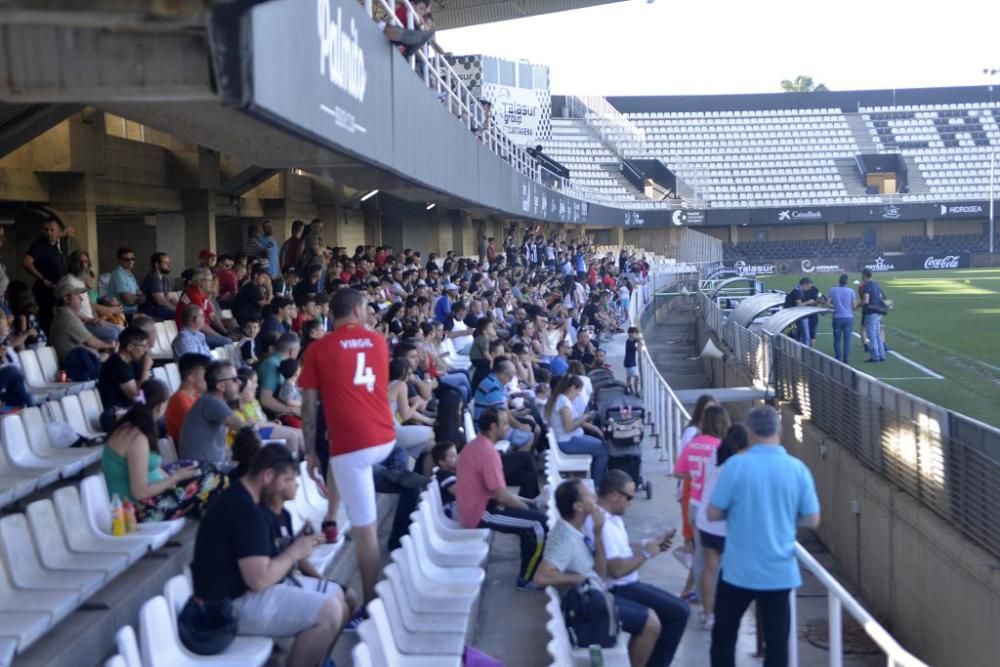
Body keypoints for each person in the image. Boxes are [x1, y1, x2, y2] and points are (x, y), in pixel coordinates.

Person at [190, 444, 348, 667]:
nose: (292, 485)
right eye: (287, 479)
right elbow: (259, 580)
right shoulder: (244, 509)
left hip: (234, 597)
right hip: (226, 609)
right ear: (267, 476)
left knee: (338, 599)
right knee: (329, 612)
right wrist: (295, 551)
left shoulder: (241, 499)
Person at [300, 287, 396, 624]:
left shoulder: (319, 347)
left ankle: (371, 607)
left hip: (354, 448)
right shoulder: (378, 341)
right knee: (346, 467)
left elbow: (310, 404)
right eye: (367, 308)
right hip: (384, 437)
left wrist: (311, 450)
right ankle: (331, 517)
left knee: (365, 534)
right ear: (357, 310)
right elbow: (365, 388)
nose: (369, 313)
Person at [707, 406, 820, 667]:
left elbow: (713, 513)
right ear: (779, 430)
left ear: (749, 432)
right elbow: (813, 520)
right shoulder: (797, 468)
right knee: (778, 641)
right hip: (779, 571)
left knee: (724, 634)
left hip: (738, 570)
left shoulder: (735, 466)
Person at [534, 479, 661, 667]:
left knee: (652, 617)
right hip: (582, 606)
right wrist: (581, 578)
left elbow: (600, 573)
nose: (595, 498)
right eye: (590, 496)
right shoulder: (565, 537)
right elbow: (541, 577)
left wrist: (599, 532)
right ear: (578, 506)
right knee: (651, 623)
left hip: (595, 593)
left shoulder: (579, 530)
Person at [591, 470, 690, 666]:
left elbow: (623, 548)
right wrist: (645, 554)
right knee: (675, 614)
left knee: (680, 609)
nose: (631, 502)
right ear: (614, 495)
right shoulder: (601, 523)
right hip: (617, 588)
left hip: (628, 585)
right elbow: (615, 570)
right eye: (629, 497)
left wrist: (649, 544)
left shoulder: (612, 517)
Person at [101, 378, 227, 521]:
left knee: (202, 467)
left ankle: (206, 520)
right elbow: (140, 492)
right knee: (215, 479)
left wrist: (172, 479)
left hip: (152, 494)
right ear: (160, 407)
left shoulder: (133, 425)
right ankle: (211, 526)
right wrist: (175, 478)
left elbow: (151, 469)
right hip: (137, 511)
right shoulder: (136, 437)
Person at [456, 408, 547, 591]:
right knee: (538, 525)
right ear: (493, 427)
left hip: (484, 505)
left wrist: (528, 505)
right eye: (504, 423)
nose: (507, 427)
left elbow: (499, 493)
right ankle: (527, 579)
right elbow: (502, 496)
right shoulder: (487, 452)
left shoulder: (480, 445)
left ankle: (529, 570)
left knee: (534, 515)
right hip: (479, 513)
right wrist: (525, 508)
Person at [674, 404, 730, 612]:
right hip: (716, 510)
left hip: (694, 507)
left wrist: (696, 477)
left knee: (701, 559)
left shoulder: (693, 444)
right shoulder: (722, 448)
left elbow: (678, 472)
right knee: (722, 560)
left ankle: (707, 609)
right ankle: (719, 603)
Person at [696, 423, 750, 629]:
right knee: (730, 571)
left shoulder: (715, 457)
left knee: (709, 568)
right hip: (726, 524)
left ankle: (708, 614)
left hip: (706, 520)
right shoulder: (740, 465)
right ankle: (726, 613)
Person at [545, 374, 609, 486]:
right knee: (603, 450)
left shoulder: (561, 399)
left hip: (571, 438)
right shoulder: (563, 403)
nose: (579, 394)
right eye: (579, 390)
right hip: (568, 442)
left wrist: (595, 429)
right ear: (572, 387)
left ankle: (601, 481)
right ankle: (598, 485)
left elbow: (574, 421)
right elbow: (569, 427)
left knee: (602, 444)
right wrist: (583, 417)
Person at [178, 360, 244, 464]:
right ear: (221, 386)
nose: (240, 382)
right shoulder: (212, 403)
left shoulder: (210, 401)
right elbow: (243, 428)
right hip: (203, 473)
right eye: (234, 379)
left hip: (209, 468)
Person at [233, 366, 305, 458]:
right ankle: (294, 466)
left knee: (301, 433)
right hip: (260, 433)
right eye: (251, 386)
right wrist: (271, 424)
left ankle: (306, 461)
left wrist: (272, 423)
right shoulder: (242, 408)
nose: (256, 386)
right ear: (240, 392)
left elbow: (261, 418)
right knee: (293, 436)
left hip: (267, 427)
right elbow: (253, 425)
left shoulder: (253, 402)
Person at [49, 276, 116, 366]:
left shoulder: (64, 313)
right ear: (66, 298)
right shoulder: (67, 318)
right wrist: (111, 345)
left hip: (84, 363)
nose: (81, 298)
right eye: (77, 295)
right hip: (80, 368)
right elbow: (92, 342)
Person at [97, 326, 153, 430]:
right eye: (143, 346)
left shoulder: (132, 361)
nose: (146, 351)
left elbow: (146, 390)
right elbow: (138, 398)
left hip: (129, 410)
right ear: (130, 347)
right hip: (115, 414)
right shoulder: (116, 364)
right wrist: (146, 369)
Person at [387, 357, 434, 471]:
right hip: (395, 431)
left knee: (431, 444)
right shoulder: (400, 385)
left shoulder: (389, 384)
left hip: (389, 430)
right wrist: (416, 404)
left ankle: (411, 464)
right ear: (405, 372)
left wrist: (427, 420)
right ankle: (410, 465)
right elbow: (406, 415)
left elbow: (404, 412)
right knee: (434, 433)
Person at [23, 218, 64, 333]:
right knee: (47, 323)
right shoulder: (40, 245)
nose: (49, 232)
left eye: (52, 230)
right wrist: (44, 279)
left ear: (58, 231)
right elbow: (26, 263)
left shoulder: (55, 244)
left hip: (56, 292)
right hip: (44, 293)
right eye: (46, 230)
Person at [175, 268, 231, 349]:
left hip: (198, 332)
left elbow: (212, 316)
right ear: (200, 281)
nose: (212, 283)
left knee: (230, 332)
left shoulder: (201, 294)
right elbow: (201, 325)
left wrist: (226, 333)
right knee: (227, 342)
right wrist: (220, 337)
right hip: (191, 335)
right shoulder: (193, 296)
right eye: (209, 280)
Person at [164, 353, 210, 442]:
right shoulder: (179, 400)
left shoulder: (197, 397)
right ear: (191, 378)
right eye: (206, 375)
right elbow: (201, 432)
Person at [258, 333, 301, 420]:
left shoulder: (284, 364)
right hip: (275, 416)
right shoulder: (271, 365)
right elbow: (265, 400)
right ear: (293, 352)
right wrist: (292, 410)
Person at [858, 268, 887, 363]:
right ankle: (882, 355)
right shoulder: (876, 284)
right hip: (878, 312)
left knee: (872, 336)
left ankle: (875, 356)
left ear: (864, 275)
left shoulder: (866, 286)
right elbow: (882, 297)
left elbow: (866, 300)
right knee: (878, 334)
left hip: (870, 313)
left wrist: (859, 304)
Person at [107, 247, 145, 317]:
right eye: (127, 260)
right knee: (146, 321)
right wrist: (138, 298)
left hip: (133, 311)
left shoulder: (129, 273)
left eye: (133, 259)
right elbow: (128, 301)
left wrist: (135, 297)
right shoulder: (118, 274)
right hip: (122, 313)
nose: (131, 262)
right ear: (120, 260)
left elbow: (141, 295)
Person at [828, 273, 856, 364]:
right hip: (848, 317)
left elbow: (828, 303)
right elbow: (854, 306)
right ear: (847, 282)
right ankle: (846, 358)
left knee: (837, 339)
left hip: (837, 317)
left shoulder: (833, 290)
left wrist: (835, 306)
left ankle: (837, 357)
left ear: (839, 281)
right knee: (847, 339)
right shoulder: (851, 291)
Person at [140, 252, 177, 320]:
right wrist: (176, 309)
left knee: (184, 313)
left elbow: (169, 298)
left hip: (161, 309)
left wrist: (181, 306)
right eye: (165, 263)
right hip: (150, 310)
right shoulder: (153, 277)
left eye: (168, 262)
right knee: (178, 315)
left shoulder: (165, 279)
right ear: (157, 264)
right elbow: (160, 301)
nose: (168, 265)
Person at [784, 277, 817, 345]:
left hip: (789, 317)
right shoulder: (798, 292)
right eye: (808, 286)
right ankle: (803, 352)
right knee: (801, 336)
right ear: (804, 284)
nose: (809, 288)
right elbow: (798, 305)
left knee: (794, 335)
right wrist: (809, 302)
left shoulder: (795, 290)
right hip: (794, 317)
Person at [624, 326, 642, 394]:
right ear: (632, 334)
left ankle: (627, 388)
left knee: (629, 376)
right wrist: (639, 341)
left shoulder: (628, 341)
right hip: (631, 363)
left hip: (628, 362)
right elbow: (639, 350)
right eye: (636, 334)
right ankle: (636, 392)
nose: (637, 335)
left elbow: (635, 341)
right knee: (637, 378)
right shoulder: (630, 344)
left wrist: (637, 339)